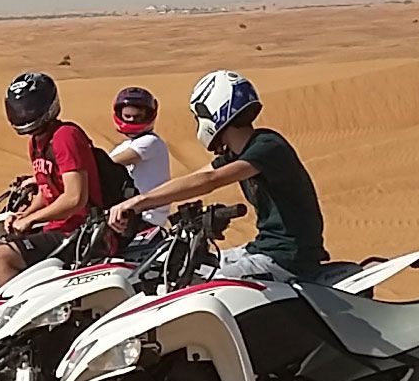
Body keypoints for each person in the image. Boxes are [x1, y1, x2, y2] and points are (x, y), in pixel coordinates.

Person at [109, 70, 327, 280]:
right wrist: (140, 204)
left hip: (288, 259)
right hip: (262, 248)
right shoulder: (239, 152)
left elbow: (210, 180)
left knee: (207, 287)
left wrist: (140, 201)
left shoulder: (267, 146)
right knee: (191, 269)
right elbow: (195, 177)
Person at [0, 71, 102, 287]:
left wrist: (31, 220)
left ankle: (21, 317)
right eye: (19, 109)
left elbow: (75, 198)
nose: (25, 113)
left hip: (80, 232)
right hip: (58, 228)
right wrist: (24, 214)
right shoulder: (37, 143)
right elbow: (46, 192)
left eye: (30, 107)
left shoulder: (66, 136)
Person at [105, 86, 170, 227]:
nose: (132, 120)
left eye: (137, 116)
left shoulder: (151, 142)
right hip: (127, 216)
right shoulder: (125, 145)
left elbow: (110, 163)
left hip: (145, 219)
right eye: (127, 116)